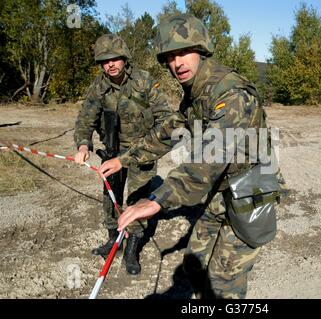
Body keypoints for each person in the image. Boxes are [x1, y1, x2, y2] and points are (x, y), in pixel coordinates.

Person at [99, 14, 279, 298]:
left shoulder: (231, 95)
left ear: (201, 49)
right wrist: (124, 158)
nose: (177, 63)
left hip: (249, 190)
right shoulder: (197, 91)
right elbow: (172, 130)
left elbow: (209, 160)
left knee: (222, 286)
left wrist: (156, 200)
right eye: (170, 56)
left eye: (184, 52)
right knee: (195, 268)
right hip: (219, 191)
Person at [73, 34, 173, 275]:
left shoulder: (143, 81)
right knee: (111, 197)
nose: (110, 64)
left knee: (138, 198)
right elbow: (85, 119)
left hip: (142, 151)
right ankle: (112, 240)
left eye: (115, 58)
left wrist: (151, 145)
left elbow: (166, 118)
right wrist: (83, 145)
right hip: (112, 150)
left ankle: (132, 248)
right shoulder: (98, 86)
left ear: (124, 58)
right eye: (104, 61)